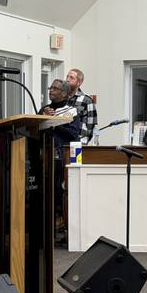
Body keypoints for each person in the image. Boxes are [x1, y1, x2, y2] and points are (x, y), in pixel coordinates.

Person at [40, 79, 81, 246]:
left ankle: (64, 231)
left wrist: (53, 123)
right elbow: (35, 130)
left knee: (60, 194)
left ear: (64, 93)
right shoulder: (44, 110)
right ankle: (44, 232)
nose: (51, 91)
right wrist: (42, 119)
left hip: (61, 159)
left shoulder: (71, 111)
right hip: (44, 158)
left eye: (55, 88)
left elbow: (73, 133)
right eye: (50, 87)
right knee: (44, 195)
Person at [66, 68, 97, 144]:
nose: (67, 79)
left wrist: (83, 141)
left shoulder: (86, 100)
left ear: (79, 83)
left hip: (78, 142)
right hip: (63, 142)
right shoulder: (62, 97)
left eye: (71, 78)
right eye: (67, 76)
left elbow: (91, 125)